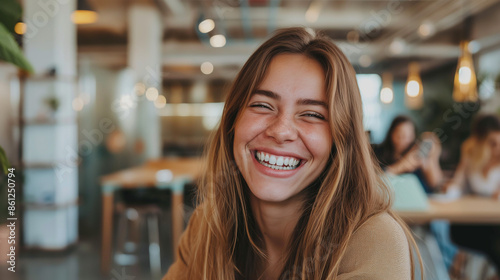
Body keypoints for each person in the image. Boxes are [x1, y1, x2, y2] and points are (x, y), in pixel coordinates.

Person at [163, 27, 421, 280]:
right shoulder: (207, 226)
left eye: (312, 114)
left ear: (340, 140)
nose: (281, 131)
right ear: (233, 121)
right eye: (262, 105)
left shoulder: (373, 240)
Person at [445, 114, 500, 272]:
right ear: (480, 142)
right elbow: (457, 183)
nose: (497, 147)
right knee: (493, 241)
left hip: (494, 222)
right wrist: (450, 190)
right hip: (470, 222)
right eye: (492, 143)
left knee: (494, 240)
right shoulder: (470, 154)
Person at [374, 115, 443, 193]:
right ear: (391, 134)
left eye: (408, 136)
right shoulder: (379, 153)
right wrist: (403, 165)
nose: (403, 140)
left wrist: (432, 157)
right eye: (399, 135)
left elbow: (436, 184)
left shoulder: (417, 153)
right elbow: (377, 180)